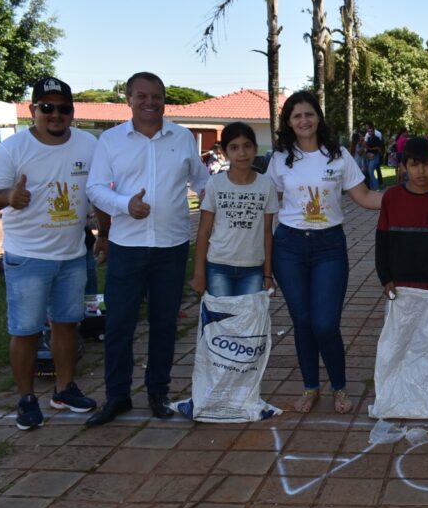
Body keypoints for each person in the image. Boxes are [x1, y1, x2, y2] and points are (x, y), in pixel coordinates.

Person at [0, 77, 106, 429]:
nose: (55, 114)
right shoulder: (14, 149)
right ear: (33, 110)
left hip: (72, 253)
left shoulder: (87, 144)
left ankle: (64, 390)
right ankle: (26, 399)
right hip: (28, 256)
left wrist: (104, 235)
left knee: (67, 325)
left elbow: (98, 193)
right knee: (27, 330)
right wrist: (8, 198)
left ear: (72, 112)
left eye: (64, 108)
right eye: (47, 107)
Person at [84, 72, 209, 426]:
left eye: (157, 96)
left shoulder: (183, 138)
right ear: (129, 99)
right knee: (120, 323)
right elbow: (95, 189)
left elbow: (202, 182)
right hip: (127, 247)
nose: (150, 102)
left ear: (164, 100)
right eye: (142, 96)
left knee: (164, 324)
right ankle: (118, 397)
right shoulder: (110, 141)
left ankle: (158, 392)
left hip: (171, 247)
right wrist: (125, 204)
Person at [269, 91, 382, 414]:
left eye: (308, 114)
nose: (303, 121)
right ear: (288, 123)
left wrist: (408, 198)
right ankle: (310, 388)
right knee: (302, 320)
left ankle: (340, 387)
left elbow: (363, 197)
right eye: (296, 116)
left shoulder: (338, 155)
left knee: (325, 323)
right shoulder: (279, 159)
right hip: (288, 246)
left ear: (318, 117)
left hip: (329, 247)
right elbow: (266, 203)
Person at [190, 122, 278, 298]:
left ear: (255, 149)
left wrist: (267, 274)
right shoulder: (215, 183)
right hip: (218, 266)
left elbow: (268, 233)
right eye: (234, 147)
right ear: (224, 152)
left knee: (247, 321)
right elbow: (204, 231)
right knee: (222, 320)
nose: (242, 153)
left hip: (253, 268)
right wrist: (199, 273)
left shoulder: (266, 185)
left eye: (247, 146)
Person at [376, 137, 428, 300]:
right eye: (414, 165)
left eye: (426, 164)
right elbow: (382, 241)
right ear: (403, 167)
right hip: (399, 286)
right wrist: (385, 279)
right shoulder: (391, 197)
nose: (421, 171)